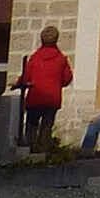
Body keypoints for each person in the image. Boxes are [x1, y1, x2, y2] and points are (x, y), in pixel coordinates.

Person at [17, 22, 73, 154]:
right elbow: (67, 77)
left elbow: (26, 76)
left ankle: (29, 152)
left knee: (31, 127)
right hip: (52, 98)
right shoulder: (61, 58)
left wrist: (18, 83)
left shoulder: (35, 57)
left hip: (35, 97)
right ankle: (43, 152)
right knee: (46, 128)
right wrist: (58, 84)